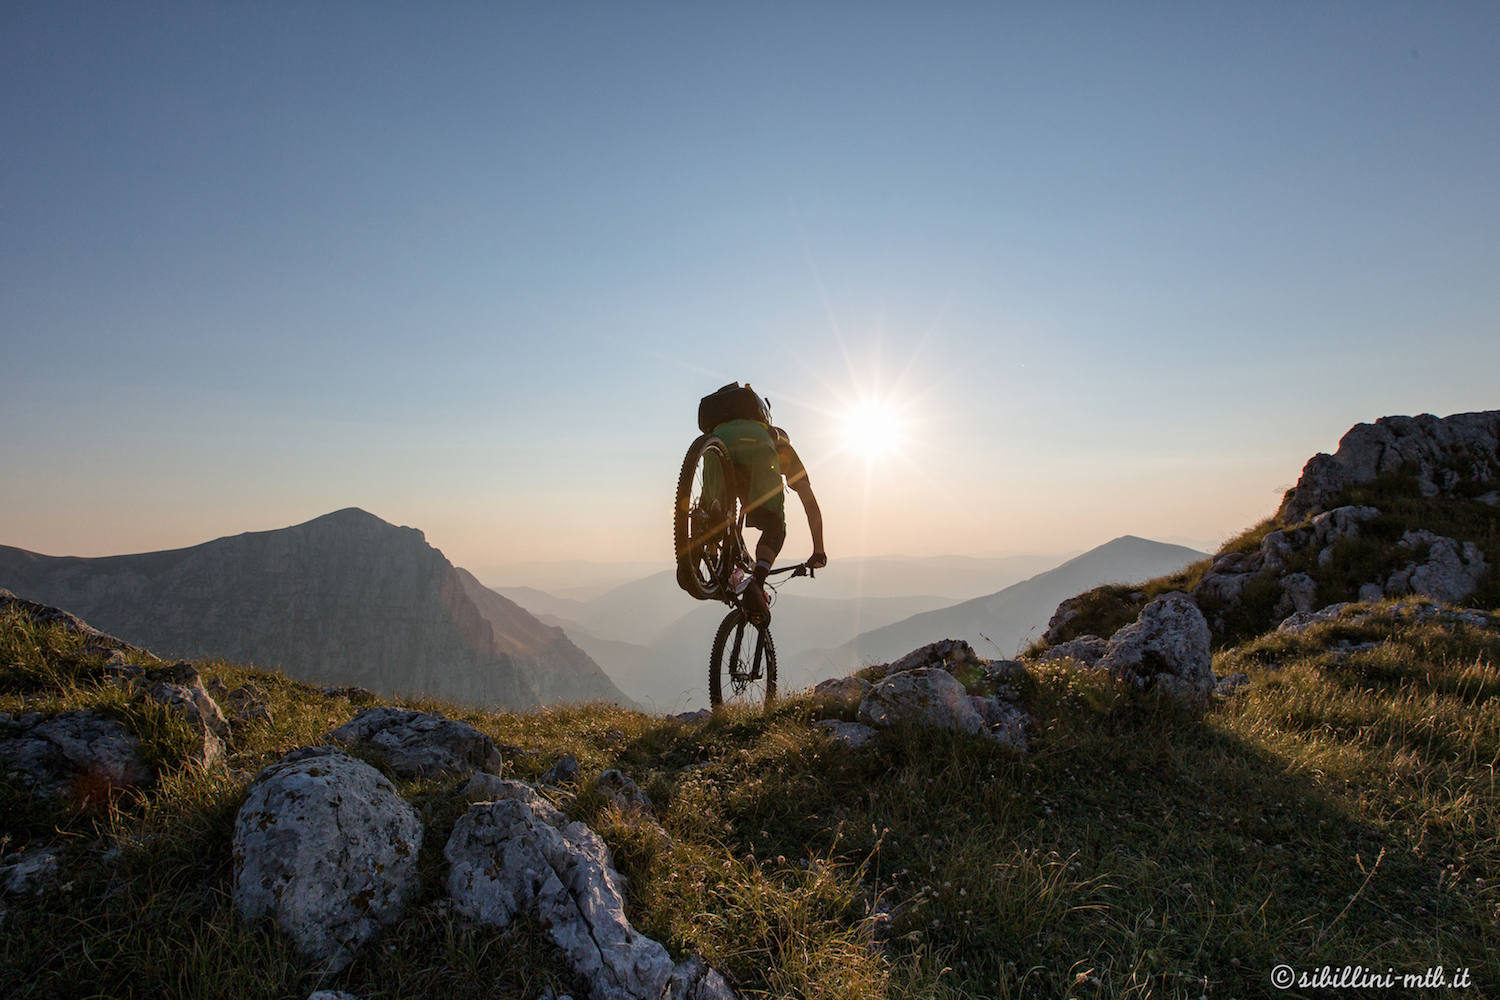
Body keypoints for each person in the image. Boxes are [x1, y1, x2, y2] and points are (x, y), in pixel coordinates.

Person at [701, 383, 826, 618]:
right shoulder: (777, 440)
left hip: (716, 440)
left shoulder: (725, 425)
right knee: (774, 526)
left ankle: (703, 556)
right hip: (755, 445)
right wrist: (819, 550)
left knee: (711, 509)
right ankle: (756, 584)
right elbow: (809, 500)